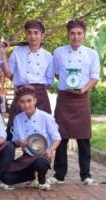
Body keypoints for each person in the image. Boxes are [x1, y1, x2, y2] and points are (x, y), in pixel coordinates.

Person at [47, 18, 100, 186]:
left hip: (82, 98)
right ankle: (59, 175)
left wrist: (81, 90)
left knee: (84, 138)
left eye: (79, 33)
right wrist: (68, 84)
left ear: (84, 35)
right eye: (72, 33)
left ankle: (86, 175)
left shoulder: (91, 54)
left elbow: (95, 77)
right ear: (68, 35)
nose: (76, 37)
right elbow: (57, 73)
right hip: (64, 98)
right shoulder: (58, 52)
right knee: (61, 136)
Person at [0, 19, 54, 141]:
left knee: (43, 131)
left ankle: (42, 159)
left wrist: (36, 90)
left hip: (40, 95)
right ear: (25, 35)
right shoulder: (17, 52)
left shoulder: (48, 56)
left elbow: (49, 81)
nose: (32, 36)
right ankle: (8, 158)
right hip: (20, 94)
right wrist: (3, 53)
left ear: (42, 35)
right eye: (29, 33)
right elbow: (8, 73)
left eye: (36, 33)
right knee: (12, 130)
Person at [0, 85, 61, 190]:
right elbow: (15, 141)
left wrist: (50, 151)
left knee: (41, 163)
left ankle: (42, 180)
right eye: (22, 102)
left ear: (35, 100)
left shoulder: (46, 117)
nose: (26, 105)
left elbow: (57, 138)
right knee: (5, 177)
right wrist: (20, 143)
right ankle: (31, 175)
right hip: (27, 156)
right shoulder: (18, 119)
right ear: (18, 103)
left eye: (29, 101)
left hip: (43, 155)